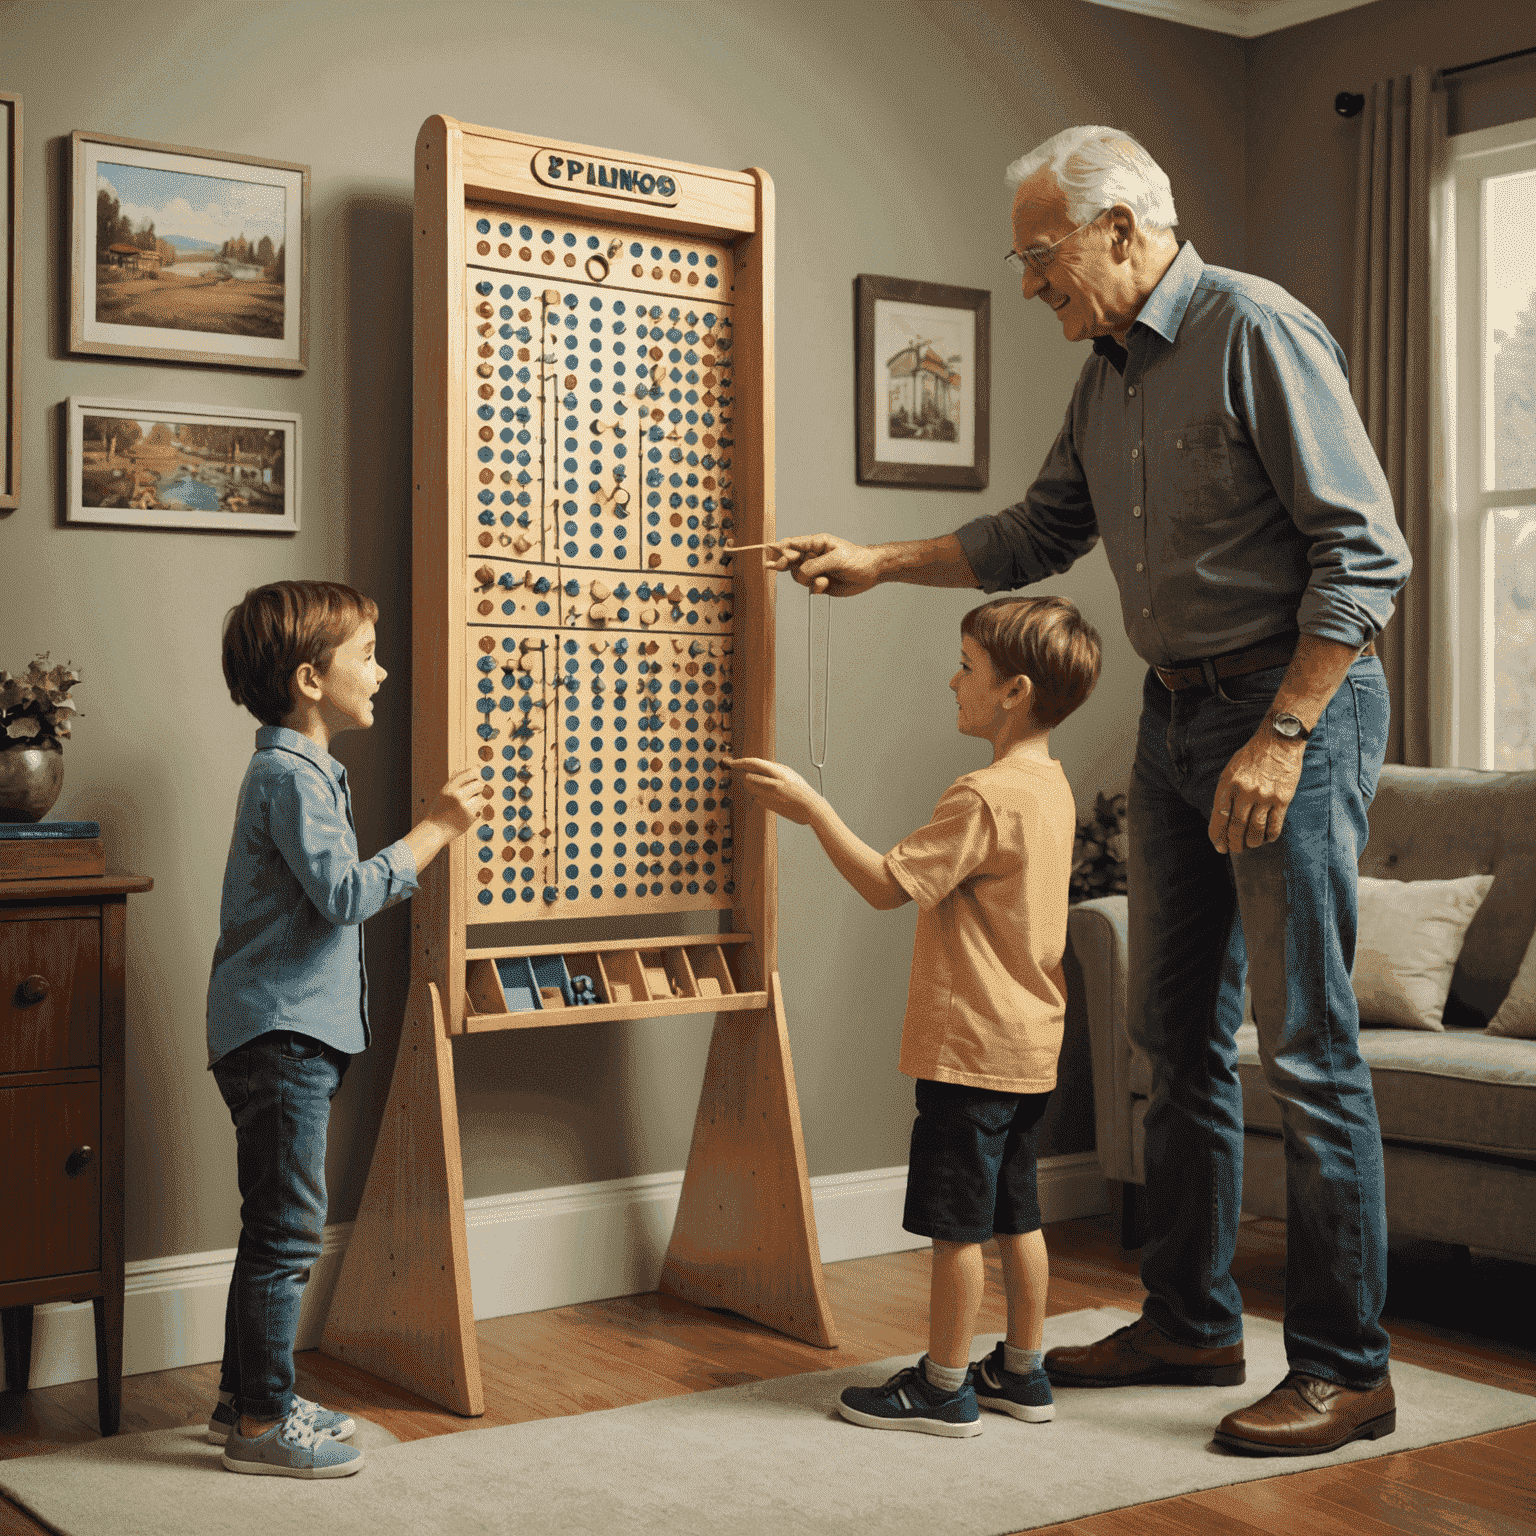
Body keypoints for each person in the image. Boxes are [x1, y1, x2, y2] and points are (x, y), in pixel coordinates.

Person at [770, 125, 1411, 1456]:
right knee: (1173, 1042)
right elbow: (1034, 535)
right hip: (1175, 713)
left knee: (1305, 1046)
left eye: (1041, 256)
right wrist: (879, 562)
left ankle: (1350, 1369)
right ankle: (1190, 1319)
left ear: (1123, 228)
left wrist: (1286, 731)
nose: (1028, 285)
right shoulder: (1110, 374)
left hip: (1294, 708)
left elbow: (1366, 550)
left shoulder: (1257, 331)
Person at [731, 594, 1100, 1437]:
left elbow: (886, 885)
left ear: (1012, 691)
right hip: (1030, 1043)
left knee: (954, 1226)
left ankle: (942, 1387)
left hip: (969, 1047)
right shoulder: (1050, 785)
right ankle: (1022, 1373)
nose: (951, 680)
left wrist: (812, 809)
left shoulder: (983, 795)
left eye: (966, 668)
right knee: (1019, 1213)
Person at [206, 580, 482, 1478]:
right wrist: (437, 830)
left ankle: (246, 1397)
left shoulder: (303, 772)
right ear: (309, 679)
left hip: (288, 1031)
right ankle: (260, 1424)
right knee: (288, 1231)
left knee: (272, 1226)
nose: (383, 669)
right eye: (366, 653)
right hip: (282, 1037)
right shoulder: (290, 776)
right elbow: (345, 896)